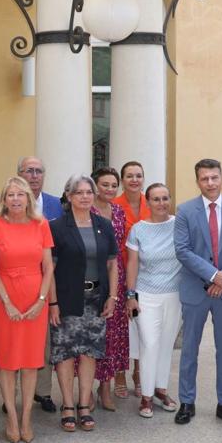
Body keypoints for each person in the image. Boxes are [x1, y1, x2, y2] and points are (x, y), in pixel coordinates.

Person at [173, 159, 222, 428]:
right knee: (190, 349)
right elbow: (182, 250)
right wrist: (212, 275)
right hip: (195, 289)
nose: (210, 183)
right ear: (197, 182)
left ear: (221, 178)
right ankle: (186, 401)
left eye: (214, 177)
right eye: (205, 179)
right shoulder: (185, 211)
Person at [0, 176, 54, 443]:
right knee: (7, 362)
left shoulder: (41, 225)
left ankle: (27, 418)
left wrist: (41, 300)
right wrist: (7, 302)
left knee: (30, 362)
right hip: (4, 300)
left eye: (20, 194)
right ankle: (11, 418)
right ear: (4, 199)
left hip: (35, 300)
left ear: (28, 198)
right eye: (10, 195)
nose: (15, 199)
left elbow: (48, 268)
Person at [48, 175, 118, 432]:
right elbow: (50, 269)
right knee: (65, 353)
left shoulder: (104, 225)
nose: (85, 196)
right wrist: (53, 303)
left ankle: (84, 404)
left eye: (89, 192)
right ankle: (67, 405)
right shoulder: (56, 227)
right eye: (79, 192)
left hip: (96, 299)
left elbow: (112, 264)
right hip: (67, 299)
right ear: (68, 196)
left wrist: (112, 297)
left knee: (90, 352)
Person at [124, 183, 183, 417]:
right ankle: (146, 397)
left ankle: (161, 389)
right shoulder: (138, 229)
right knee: (149, 343)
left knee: (166, 344)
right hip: (146, 295)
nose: (161, 203)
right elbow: (132, 263)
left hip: (175, 295)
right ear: (147, 203)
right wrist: (131, 295)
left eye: (165, 198)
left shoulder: (180, 225)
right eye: (156, 199)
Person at [20, 156, 62, 414]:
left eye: (38, 171)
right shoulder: (10, 203)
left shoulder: (57, 204)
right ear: (20, 174)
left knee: (44, 340)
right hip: (18, 280)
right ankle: (15, 394)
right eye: (29, 171)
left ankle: (43, 391)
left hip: (49, 280)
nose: (34, 176)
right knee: (15, 340)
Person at [91, 167, 130, 411]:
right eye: (104, 184)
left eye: (113, 185)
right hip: (91, 277)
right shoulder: (87, 210)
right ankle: (85, 390)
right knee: (91, 335)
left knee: (111, 337)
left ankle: (105, 388)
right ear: (95, 186)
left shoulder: (118, 211)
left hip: (116, 276)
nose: (109, 189)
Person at [112, 161, 148, 398]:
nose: (134, 180)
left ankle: (139, 372)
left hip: (148, 274)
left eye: (138, 176)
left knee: (142, 326)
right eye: (129, 176)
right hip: (120, 270)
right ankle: (120, 374)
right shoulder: (114, 206)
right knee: (120, 326)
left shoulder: (153, 202)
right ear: (122, 180)